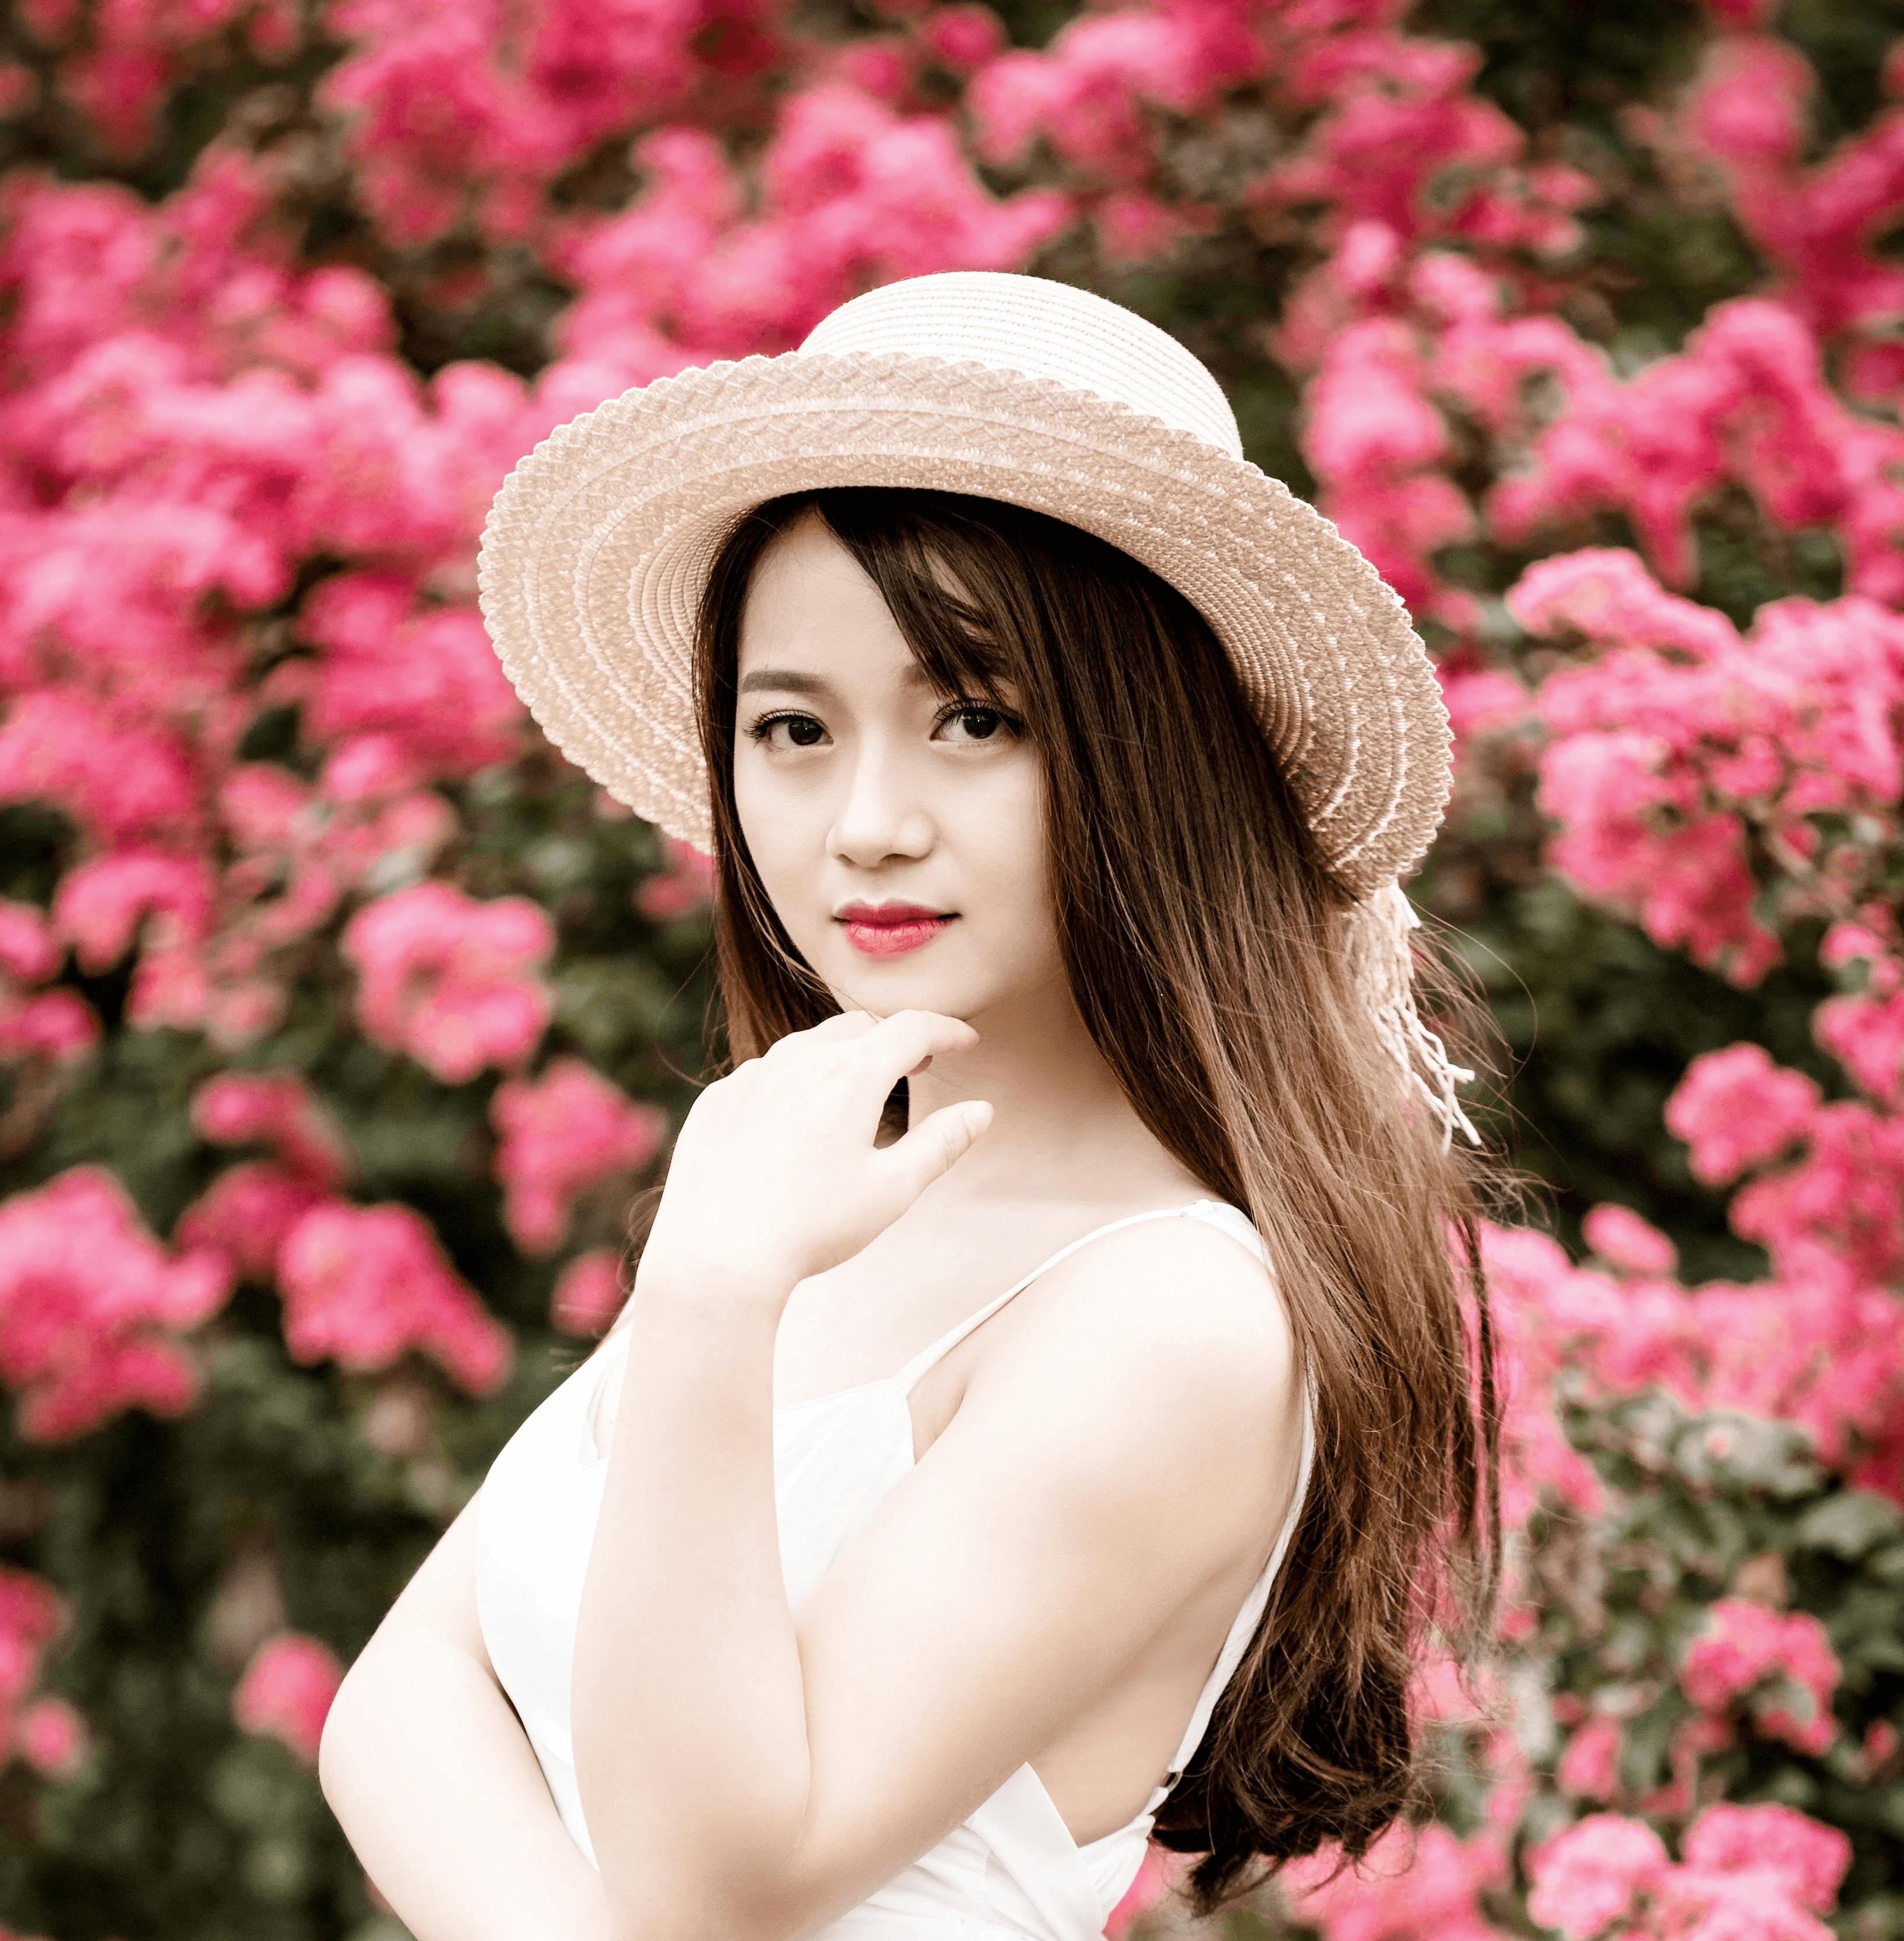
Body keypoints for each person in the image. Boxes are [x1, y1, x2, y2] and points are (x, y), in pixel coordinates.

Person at [318, 271, 1500, 1941]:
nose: (866, 821)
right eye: (793, 726)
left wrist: (717, 1295)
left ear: (1151, 754)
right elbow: (403, 1697)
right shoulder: (820, 1194)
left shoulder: (1166, 1309)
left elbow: (716, 1886)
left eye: (974, 717)